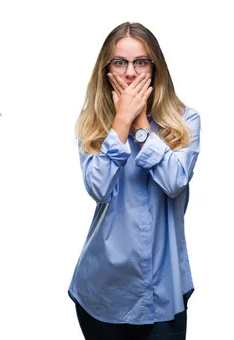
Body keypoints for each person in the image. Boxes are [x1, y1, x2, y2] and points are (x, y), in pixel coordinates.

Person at [69, 22, 200, 339]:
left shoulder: (185, 121)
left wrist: (140, 127)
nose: (130, 73)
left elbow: (174, 181)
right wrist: (121, 123)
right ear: (107, 69)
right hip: (103, 289)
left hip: (163, 286)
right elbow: (98, 188)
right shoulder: (93, 125)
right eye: (120, 62)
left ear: (155, 69)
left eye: (140, 62)